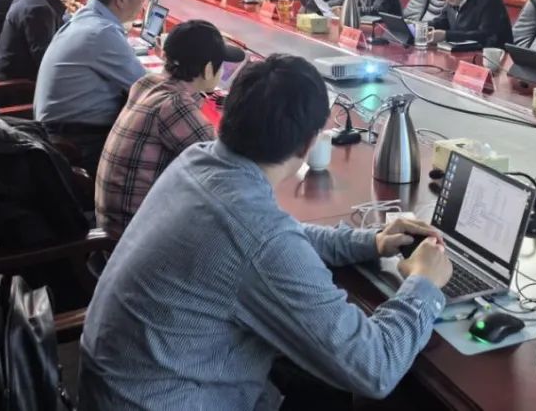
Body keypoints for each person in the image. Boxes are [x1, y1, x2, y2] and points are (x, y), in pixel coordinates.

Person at [78, 54, 452, 410]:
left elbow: (276, 238)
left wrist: (371, 240)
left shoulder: (198, 162)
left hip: (123, 389)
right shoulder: (256, 234)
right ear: (309, 143)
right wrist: (424, 283)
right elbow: (375, 368)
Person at [95, 19, 245, 238]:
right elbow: (227, 172)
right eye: (220, 64)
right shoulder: (175, 106)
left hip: (113, 225)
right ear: (207, 69)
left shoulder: (146, 84)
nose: (223, 71)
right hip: (134, 237)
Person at [34, 0, 148, 176]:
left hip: (56, 132)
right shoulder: (101, 32)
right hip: (77, 141)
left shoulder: (86, 18)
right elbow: (147, 88)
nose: (143, 3)